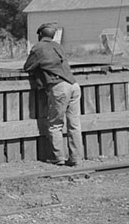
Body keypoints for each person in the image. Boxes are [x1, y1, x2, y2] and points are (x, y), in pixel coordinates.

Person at [23, 23, 83, 167]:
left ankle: (58, 158)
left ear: (39, 34)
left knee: (55, 125)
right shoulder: (58, 46)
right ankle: (76, 159)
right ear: (53, 35)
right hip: (74, 85)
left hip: (59, 87)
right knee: (74, 125)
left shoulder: (38, 47)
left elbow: (28, 66)